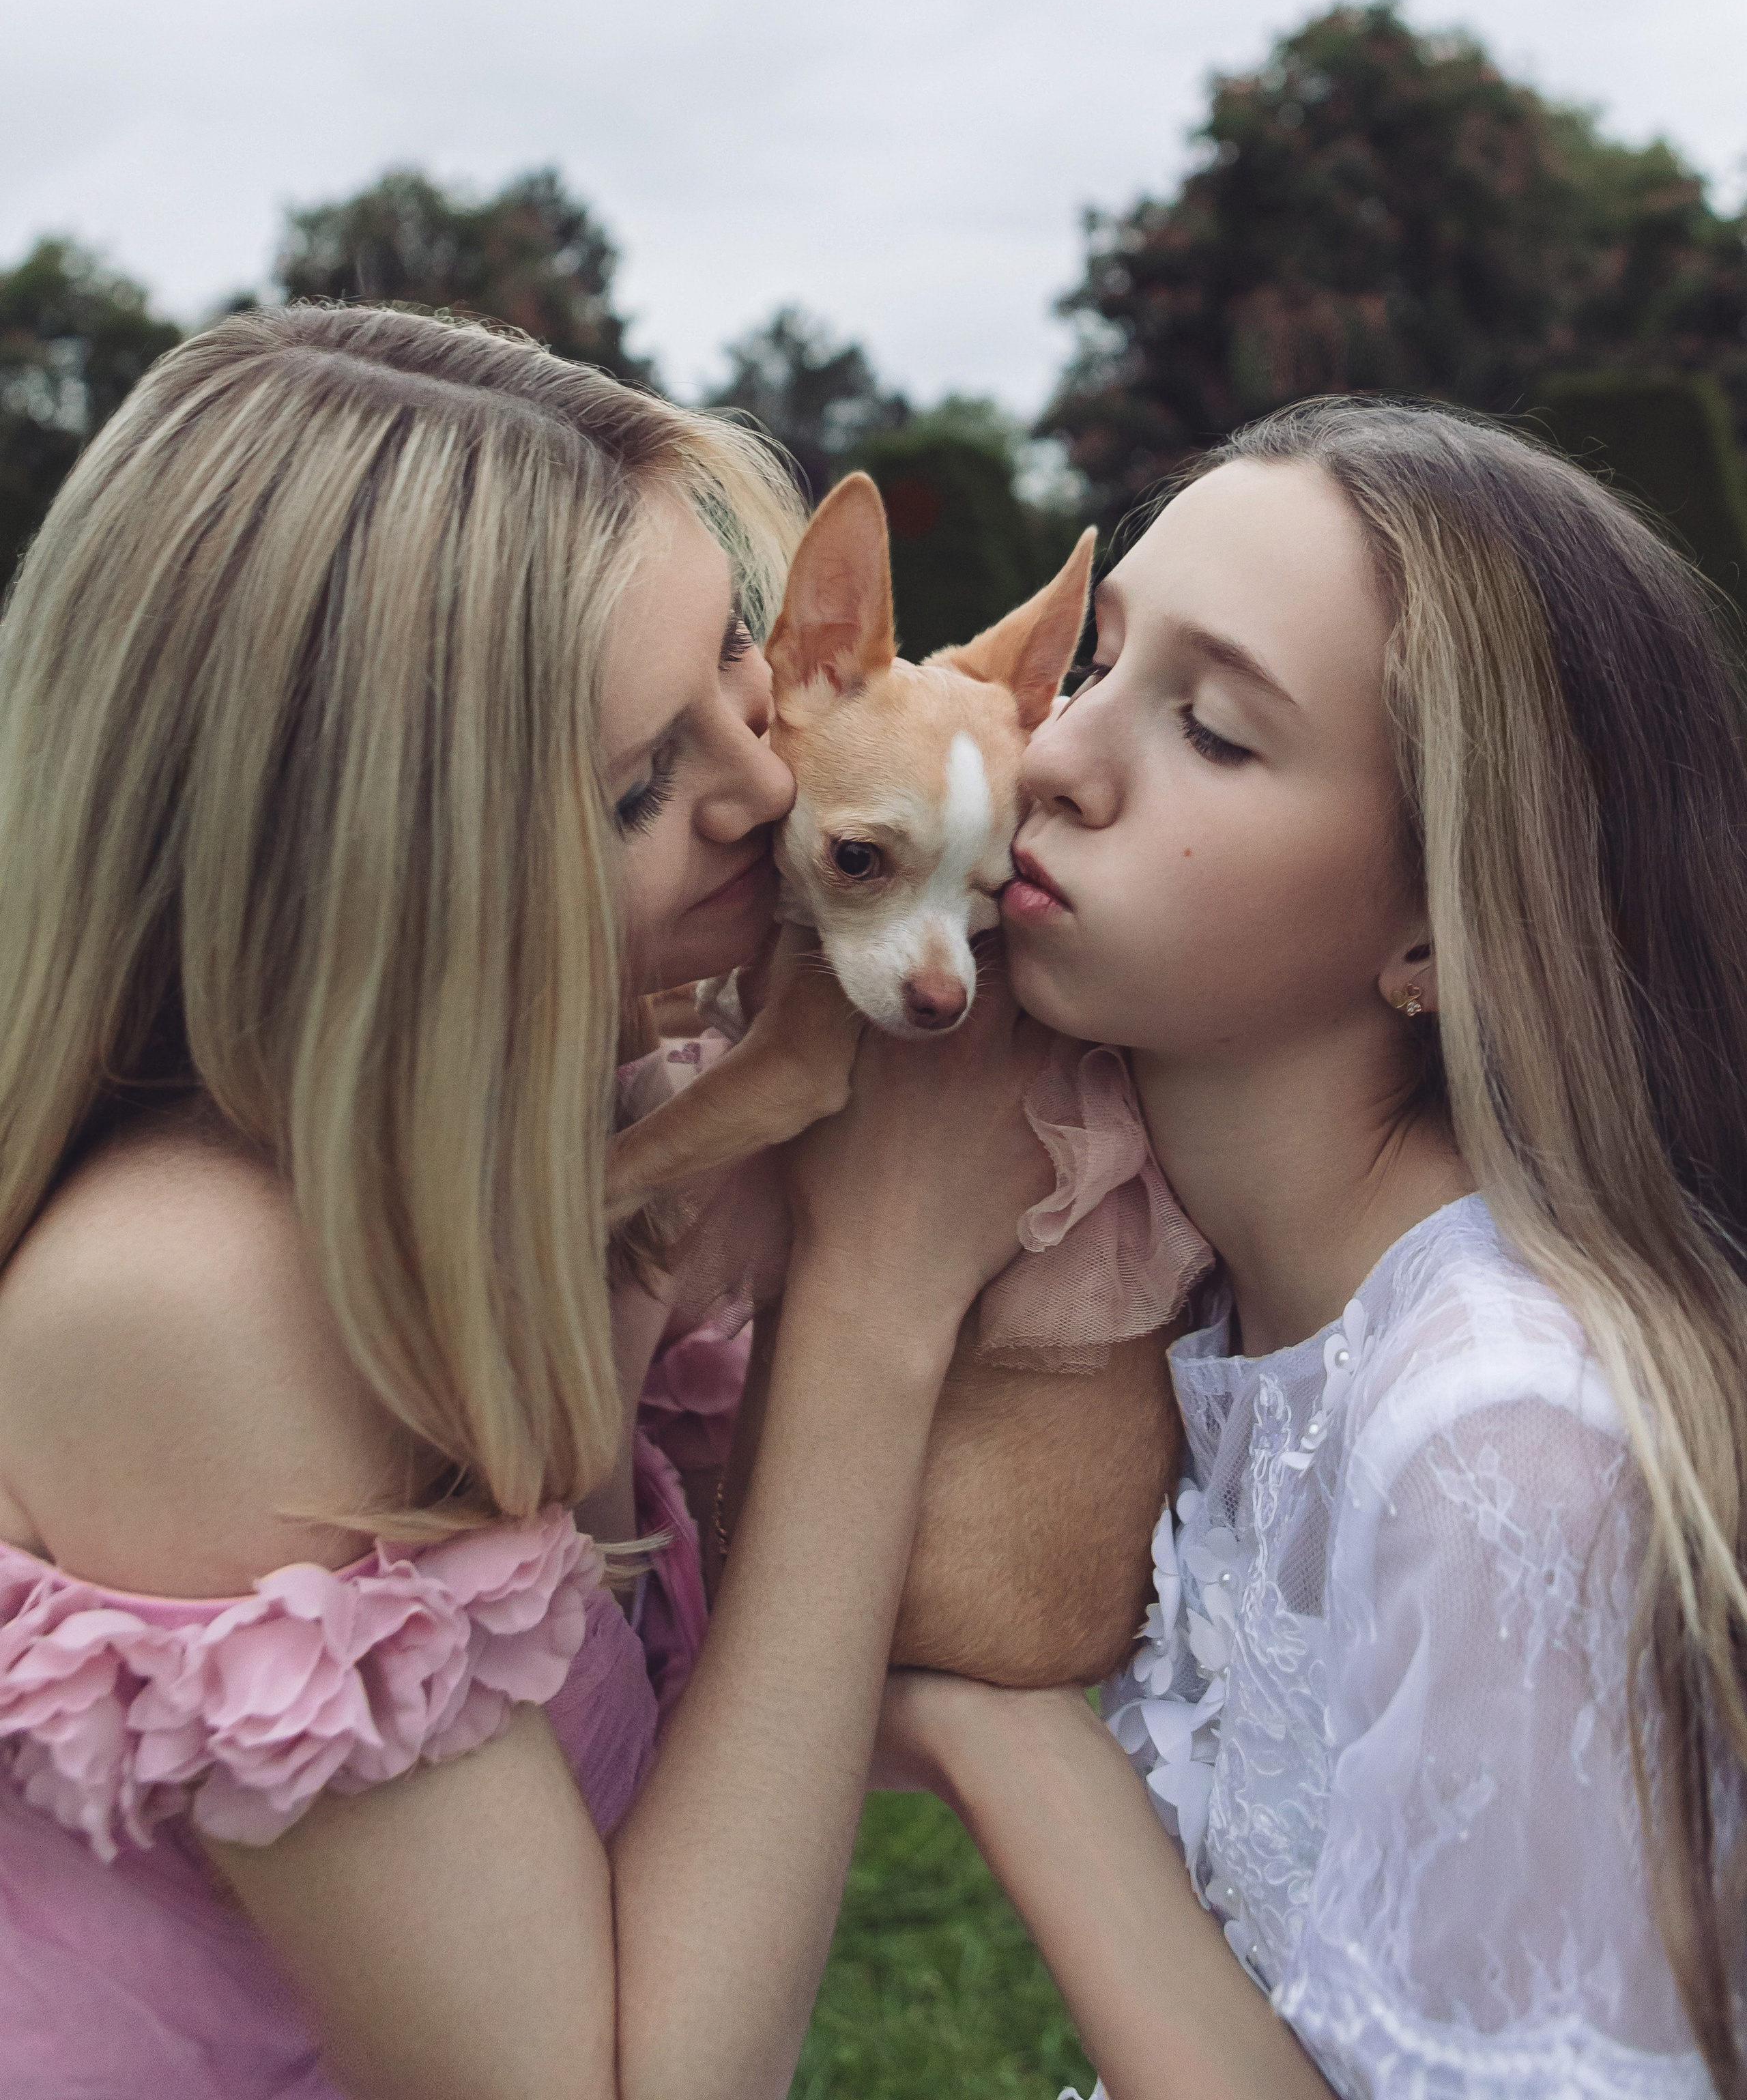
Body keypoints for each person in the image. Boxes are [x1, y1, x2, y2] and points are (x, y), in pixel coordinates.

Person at [0, 303, 1054, 2100]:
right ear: (376, 872)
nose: (764, 779)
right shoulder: (182, 1296)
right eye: (646, 779)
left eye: (742, 664)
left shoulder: (523, 1137)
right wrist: (877, 1299)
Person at [811, 398, 1747, 2097]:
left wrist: (1005, 1727)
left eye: (1215, 733)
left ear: (1437, 925)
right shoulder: (1216, 1298)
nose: (1058, 761)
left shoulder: (1507, 1443)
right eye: (1094, 668)